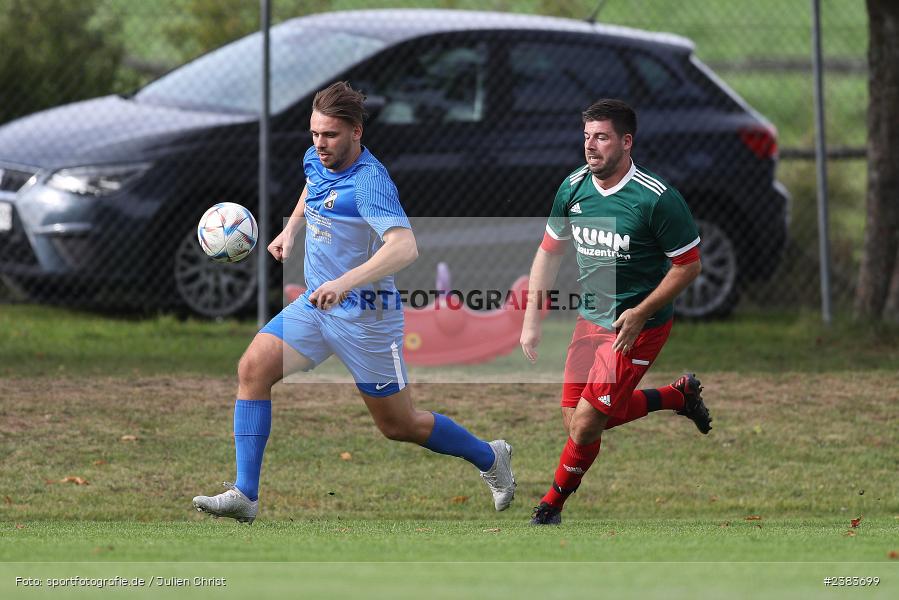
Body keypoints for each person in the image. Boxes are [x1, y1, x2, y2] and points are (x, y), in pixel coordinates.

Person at [193, 82, 515, 523]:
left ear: (356, 132)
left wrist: (344, 283)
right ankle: (245, 494)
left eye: (330, 135)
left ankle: (490, 457)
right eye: (314, 134)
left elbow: (404, 248)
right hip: (315, 307)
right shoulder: (317, 158)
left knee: (399, 425)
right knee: (253, 368)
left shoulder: (370, 183)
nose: (319, 144)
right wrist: (292, 229)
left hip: (368, 321)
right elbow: (313, 185)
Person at [520, 99, 712, 526]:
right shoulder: (572, 187)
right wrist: (532, 320)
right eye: (587, 136)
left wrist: (642, 312)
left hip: (637, 328)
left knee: (587, 425)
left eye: (601, 137)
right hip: (591, 318)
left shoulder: (657, 199)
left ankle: (550, 506)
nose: (591, 146)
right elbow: (548, 253)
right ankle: (677, 396)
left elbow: (689, 265)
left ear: (626, 142)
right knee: (576, 422)